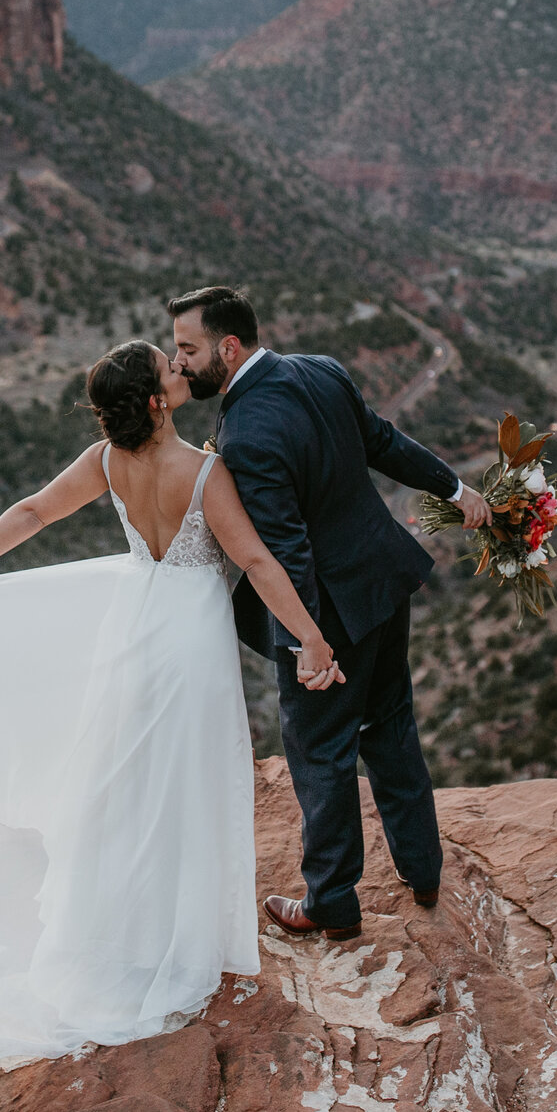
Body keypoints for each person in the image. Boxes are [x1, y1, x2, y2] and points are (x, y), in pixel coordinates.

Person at [0, 339, 344, 1059]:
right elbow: (253, 558)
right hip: (189, 645)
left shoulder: (106, 462)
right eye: (167, 370)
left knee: (123, 786)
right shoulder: (206, 472)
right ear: (156, 401)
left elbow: (32, 512)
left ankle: (120, 929)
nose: (179, 370)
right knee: (185, 784)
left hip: (131, 630)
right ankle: (181, 935)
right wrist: (311, 638)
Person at [169, 286, 487, 940]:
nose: (180, 364)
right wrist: (453, 486)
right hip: (382, 579)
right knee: (392, 724)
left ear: (228, 348)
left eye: (188, 349)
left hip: (327, 609)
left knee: (321, 751)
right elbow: (385, 442)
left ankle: (333, 902)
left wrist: (306, 641)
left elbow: (285, 550)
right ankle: (422, 869)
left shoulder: (247, 431)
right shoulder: (321, 369)